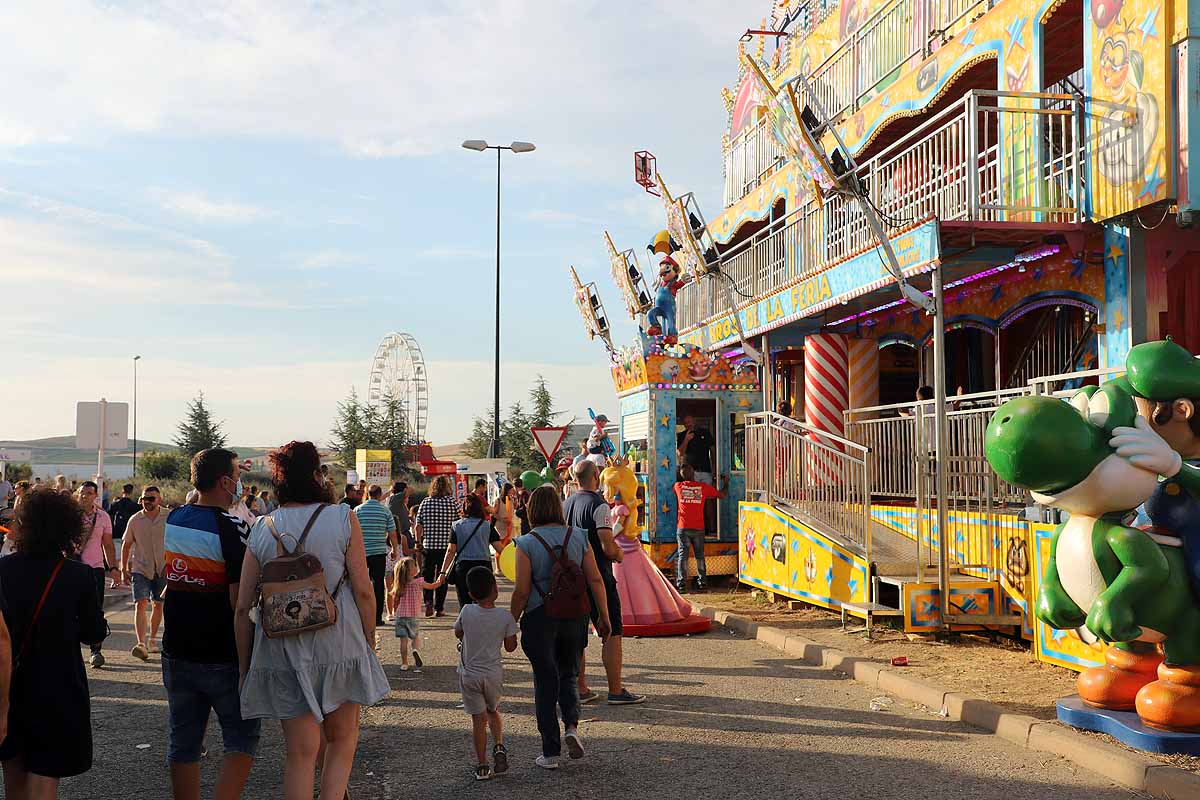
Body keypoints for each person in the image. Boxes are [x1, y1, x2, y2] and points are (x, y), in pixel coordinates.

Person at [234, 441, 388, 800]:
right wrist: (369, 638)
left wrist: (245, 666)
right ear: (317, 474)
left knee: (300, 754)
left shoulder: (262, 526)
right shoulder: (341, 517)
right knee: (343, 738)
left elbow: (243, 607)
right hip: (339, 639)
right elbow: (364, 589)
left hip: (282, 646)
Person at [162, 448, 259, 800]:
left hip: (177, 648)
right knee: (242, 737)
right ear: (224, 481)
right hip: (223, 652)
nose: (240, 482)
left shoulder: (175, 518)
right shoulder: (233, 527)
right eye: (237, 475)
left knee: (183, 740)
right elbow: (239, 601)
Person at [0, 488, 106, 798]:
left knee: (13, 774)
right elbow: (93, 633)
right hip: (58, 686)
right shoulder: (78, 575)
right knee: (45, 774)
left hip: (9, 685)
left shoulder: (3, 570)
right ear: (67, 526)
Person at [510, 485, 612, 769]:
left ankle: (550, 753)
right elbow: (595, 580)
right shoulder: (578, 536)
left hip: (539, 617)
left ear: (532, 510)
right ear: (558, 507)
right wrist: (603, 616)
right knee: (569, 674)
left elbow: (521, 590)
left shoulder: (526, 543)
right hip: (575, 615)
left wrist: (510, 623)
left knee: (545, 682)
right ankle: (572, 728)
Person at [566, 460, 644, 706]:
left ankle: (581, 688)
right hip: (598, 575)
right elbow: (606, 544)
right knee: (612, 632)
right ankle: (615, 689)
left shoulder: (566, 503)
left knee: (577, 634)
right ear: (596, 476)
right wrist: (618, 554)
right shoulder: (598, 505)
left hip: (572, 578)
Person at [454, 567, 518, 781]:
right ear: (496, 589)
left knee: (478, 720)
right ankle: (499, 743)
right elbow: (510, 647)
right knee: (493, 710)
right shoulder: (505, 616)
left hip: (469, 675)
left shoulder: (466, 611)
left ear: (471, 594)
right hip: (493, 675)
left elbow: (458, 632)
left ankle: (482, 766)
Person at [121, 485, 167, 661]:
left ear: (159, 500)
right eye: (144, 499)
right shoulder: (134, 520)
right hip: (141, 567)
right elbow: (126, 545)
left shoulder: (168, 517)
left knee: (158, 604)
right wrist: (123, 569)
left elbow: (176, 542)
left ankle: (153, 639)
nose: (146, 502)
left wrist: (172, 564)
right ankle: (141, 643)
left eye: (151, 498)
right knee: (140, 603)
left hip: (163, 567)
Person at [76, 481, 117, 669]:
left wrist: (114, 568)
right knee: (70, 609)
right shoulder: (70, 515)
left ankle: (96, 650)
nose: (84, 496)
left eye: (88, 493)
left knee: (96, 610)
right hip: (73, 568)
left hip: (95, 568)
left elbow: (108, 545)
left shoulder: (103, 517)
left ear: (95, 496)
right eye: (82, 492)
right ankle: (71, 651)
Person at [437, 494, 501, 610]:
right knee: (484, 603)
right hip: (483, 567)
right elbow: (500, 549)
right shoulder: (487, 526)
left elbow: (451, 550)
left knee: (465, 605)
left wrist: (442, 572)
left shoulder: (457, 526)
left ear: (464, 508)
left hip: (463, 568)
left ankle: (466, 626)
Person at [672, 465, 729, 592]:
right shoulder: (702, 488)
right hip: (698, 528)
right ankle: (702, 582)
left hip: (683, 528)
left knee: (683, 556)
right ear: (694, 474)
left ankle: (681, 584)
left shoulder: (678, 487)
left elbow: (677, 479)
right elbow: (722, 495)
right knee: (699, 556)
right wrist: (726, 483)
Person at [355, 484, 398, 639]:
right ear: (380, 495)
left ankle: (360, 616)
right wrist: (394, 549)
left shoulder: (358, 510)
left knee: (359, 583)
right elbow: (392, 533)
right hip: (379, 552)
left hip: (360, 553)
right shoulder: (385, 511)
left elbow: (352, 531)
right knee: (378, 584)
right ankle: (377, 617)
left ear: (367, 493)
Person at [387, 557, 443, 670]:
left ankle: (404, 663)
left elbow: (395, 602)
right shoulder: (418, 582)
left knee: (403, 641)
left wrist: (393, 611)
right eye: (415, 566)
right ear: (411, 570)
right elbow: (432, 586)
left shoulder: (399, 585)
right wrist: (439, 581)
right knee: (415, 638)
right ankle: (415, 650)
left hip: (401, 616)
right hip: (413, 616)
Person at [414, 475, 456, 617]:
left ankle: (428, 603)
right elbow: (458, 523)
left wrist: (418, 542)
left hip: (429, 545)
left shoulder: (425, 502)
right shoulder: (452, 502)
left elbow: (418, 525)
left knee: (427, 575)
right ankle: (440, 607)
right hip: (446, 546)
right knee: (441, 575)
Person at [676, 414, 715, 485]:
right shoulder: (681, 435)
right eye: (685, 423)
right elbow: (680, 453)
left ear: (694, 421)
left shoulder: (705, 432)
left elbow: (713, 450)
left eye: (689, 421)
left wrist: (714, 467)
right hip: (690, 473)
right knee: (693, 494)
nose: (688, 424)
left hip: (705, 470)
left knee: (707, 493)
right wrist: (686, 440)